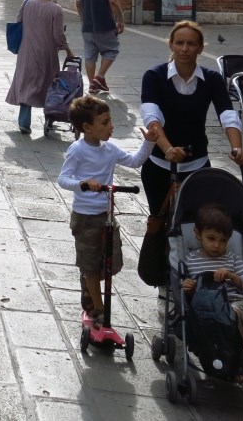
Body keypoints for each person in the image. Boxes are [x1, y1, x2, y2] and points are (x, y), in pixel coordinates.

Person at [57, 95, 156, 325]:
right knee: (90, 265)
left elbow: (134, 161)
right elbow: (63, 178)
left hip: (107, 215)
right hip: (85, 217)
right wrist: (82, 183)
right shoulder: (77, 150)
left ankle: (88, 283)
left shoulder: (110, 149)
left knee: (112, 263)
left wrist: (149, 142)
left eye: (110, 120)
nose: (111, 126)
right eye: (105, 122)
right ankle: (99, 309)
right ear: (87, 128)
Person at [140, 21, 243, 217]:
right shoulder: (154, 76)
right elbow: (152, 117)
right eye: (179, 43)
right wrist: (168, 149)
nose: (184, 49)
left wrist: (237, 147)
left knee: (197, 222)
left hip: (198, 165)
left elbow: (227, 115)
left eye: (191, 44)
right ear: (170, 45)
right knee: (159, 221)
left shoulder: (212, 79)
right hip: (159, 164)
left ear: (200, 48)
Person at [6, 0, 76, 134]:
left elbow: (19, 22)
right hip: (46, 51)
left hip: (26, 50)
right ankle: (50, 118)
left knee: (26, 83)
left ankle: (24, 122)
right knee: (49, 83)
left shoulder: (27, 3)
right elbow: (58, 35)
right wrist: (67, 49)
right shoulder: (56, 9)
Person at [182, 204, 243, 341]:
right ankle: (222, 349)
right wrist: (189, 287)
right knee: (202, 315)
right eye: (211, 238)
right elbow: (186, 289)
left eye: (223, 240)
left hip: (235, 302)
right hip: (206, 305)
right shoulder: (190, 260)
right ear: (198, 234)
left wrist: (232, 276)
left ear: (229, 238)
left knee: (234, 315)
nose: (217, 245)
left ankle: (234, 350)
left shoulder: (233, 259)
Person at [75, 0, 124, 94]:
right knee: (112, 50)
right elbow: (113, 2)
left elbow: (78, 2)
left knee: (90, 55)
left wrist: (83, 18)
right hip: (105, 25)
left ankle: (92, 84)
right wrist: (120, 20)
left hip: (87, 27)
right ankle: (100, 77)